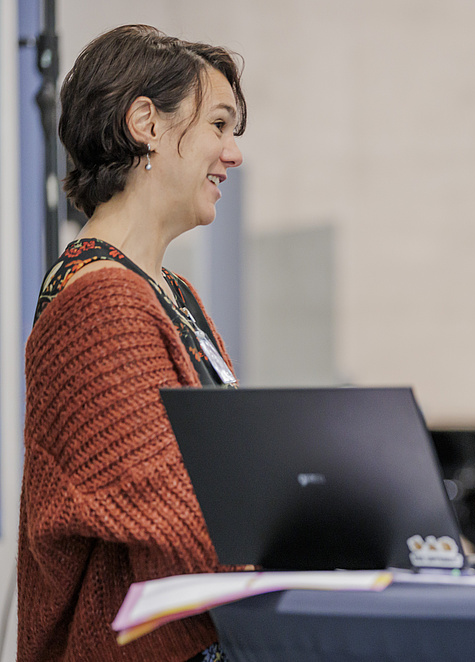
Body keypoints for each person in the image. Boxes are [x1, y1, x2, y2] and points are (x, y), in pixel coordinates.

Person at [17, 25, 246, 662]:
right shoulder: (99, 304)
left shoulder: (174, 294)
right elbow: (175, 515)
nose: (233, 153)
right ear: (145, 121)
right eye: (219, 125)